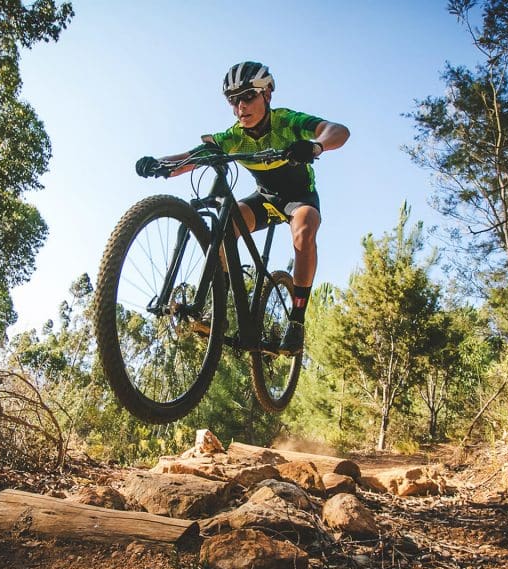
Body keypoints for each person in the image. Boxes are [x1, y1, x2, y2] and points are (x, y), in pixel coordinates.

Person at [135, 61, 349, 355]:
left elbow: (337, 130)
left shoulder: (287, 121)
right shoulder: (233, 136)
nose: (240, 107)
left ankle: (297, 321)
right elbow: (194, 156)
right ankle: (217, 309)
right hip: (264, 198)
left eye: (248, 97)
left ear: (267, 95)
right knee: (226, 227)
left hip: (300, 198)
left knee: (304, 228)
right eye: (233, 101)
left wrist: (315, 146)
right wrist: (161, 164)